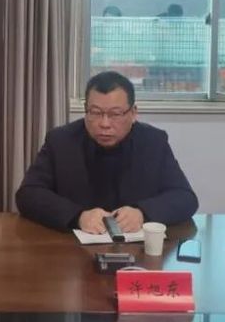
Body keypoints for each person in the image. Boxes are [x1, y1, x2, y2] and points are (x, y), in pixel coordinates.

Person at [16, 71, 198, 233]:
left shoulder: (153, 142)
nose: (104, 124)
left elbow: (185, 198)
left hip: (136, 251)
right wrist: (77, 216)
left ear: (133, 113)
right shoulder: (61, 141)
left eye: (115, 114)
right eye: (95, 113)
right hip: (72, 248)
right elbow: (28, 194)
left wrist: (143, 213)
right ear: (86, 110)